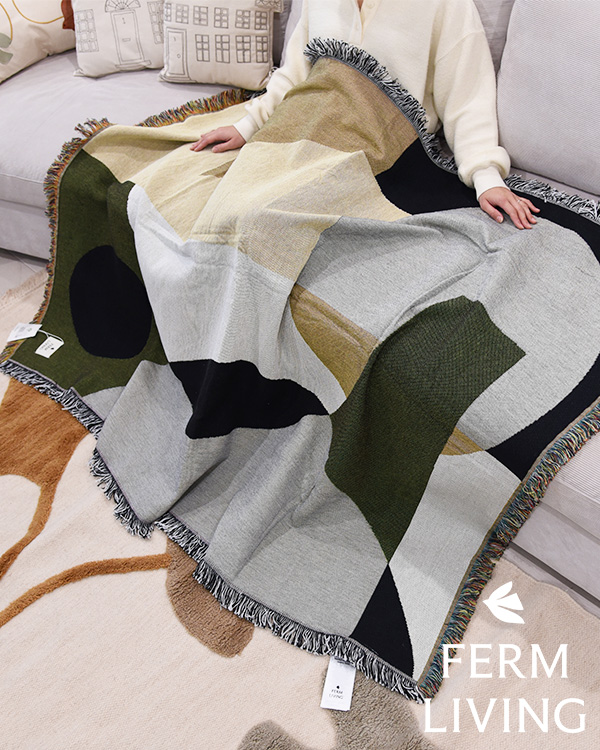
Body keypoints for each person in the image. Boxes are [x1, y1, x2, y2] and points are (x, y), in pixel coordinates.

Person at [190, 0, 539, 230]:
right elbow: (295, 72)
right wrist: (249, 124)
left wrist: (486, 176)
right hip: (302, 127)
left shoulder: (443, 5)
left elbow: (468, 96)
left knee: (261, 221)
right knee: (205, 207)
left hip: (379, 150)